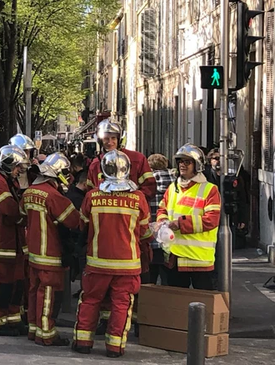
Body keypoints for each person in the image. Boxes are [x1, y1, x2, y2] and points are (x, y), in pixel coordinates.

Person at [72, 150, 151, 358]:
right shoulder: (138, 198)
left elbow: (83, 225)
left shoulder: (92, 196)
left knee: (90, 300)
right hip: (128, 264)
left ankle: (83, 342)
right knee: (121, 304)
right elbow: (145, 231)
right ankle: (114, 347)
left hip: (97, 262)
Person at [21, 153, 81, 347]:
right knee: (48, 294)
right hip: (50, 253)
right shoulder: (54, 195)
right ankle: (46, 333)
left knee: (33, 291)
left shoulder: (30, 191)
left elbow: (23, 213)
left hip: (33, 253)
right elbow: (74, 221)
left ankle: (34, 329)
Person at [155, 144, 221, 290]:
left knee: (203, 306)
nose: (182, 165)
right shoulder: (173, 187)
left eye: (187, 162)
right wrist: (162, 222)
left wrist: (179, 224)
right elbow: (162, 209)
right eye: (180, 161)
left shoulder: (210, 189)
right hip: (175, 258)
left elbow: (211, 220)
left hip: (199, 260)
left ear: (196, 165)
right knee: (177, 306)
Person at [0, 145, 29, 336]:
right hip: (2, 242)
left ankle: (12, 319)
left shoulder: (8, 180)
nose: (19, 170)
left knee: (17, 282)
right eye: (18, 166)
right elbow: (9, 209)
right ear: (9, 164)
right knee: (3, 283)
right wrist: (22, 216)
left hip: (14, 242)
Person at [86, 120, 156, 201]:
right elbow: (90, 192)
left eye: (113, 138)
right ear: (100, 140)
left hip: (132, 211)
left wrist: (132, 201)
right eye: (106, 138)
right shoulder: (95, 164)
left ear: (119, 139)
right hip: (106, 212)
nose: (110, 142)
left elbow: (149, 187)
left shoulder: (137, 159)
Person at [147, 153, 175, 285]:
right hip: (169, 235)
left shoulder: (148, 183)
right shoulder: (176, 183)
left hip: (151, 234)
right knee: (168, 276)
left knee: (150, 275)